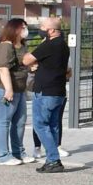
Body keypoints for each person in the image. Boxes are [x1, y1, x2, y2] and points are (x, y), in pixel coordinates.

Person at [24, 16, 70, 173]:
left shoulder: (49, 45)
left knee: (40, 125)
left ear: (51, 30)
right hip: (58, 91)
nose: (40, 30)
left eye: (42, 28)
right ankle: (53, 159)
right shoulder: (63, 45)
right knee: (53, 125)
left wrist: (33, 61)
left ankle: (53, 159)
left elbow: (26, 60)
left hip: (45, 92)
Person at [0, 18, 31, 165]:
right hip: (3, 87)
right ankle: (3, 156)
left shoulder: (22, 45)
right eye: (23, 27)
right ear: (15, 29)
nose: (25, 30)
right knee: (4, 121)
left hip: (19, 88)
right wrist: (8, 90)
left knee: (20, 121)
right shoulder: (6, 45)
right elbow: (3, 69)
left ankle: (18, 152)